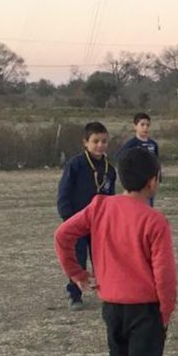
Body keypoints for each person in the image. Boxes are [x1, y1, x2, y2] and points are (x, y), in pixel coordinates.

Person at [54, 148, 176, 356]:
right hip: (144, 308)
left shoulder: (99, 206)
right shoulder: (154, 220)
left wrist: (77, 273)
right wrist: (166, 311)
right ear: (153, 182)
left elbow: (63, 235)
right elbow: (164, 274)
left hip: (111, 306)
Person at [57, 122, 117, 310]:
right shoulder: (75, 164)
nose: (100, 145)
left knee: (102, 258)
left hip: (99, 223)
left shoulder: (109, 169)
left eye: (104, 141)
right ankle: (75, 294)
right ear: (85, 142)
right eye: (95, 141)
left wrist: (111, 218)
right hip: (78, 220)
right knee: (78, 257)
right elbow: (64, 191)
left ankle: (106, 291)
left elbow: (110, 197)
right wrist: (68, 217)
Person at [117, 112, 161, 206]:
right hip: (137, 181)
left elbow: (157, 162)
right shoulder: (131, 144)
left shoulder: (153, 144)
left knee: (149, 205)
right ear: (135, 126)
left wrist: (158, 178)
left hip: (150, 181)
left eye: (147, 125)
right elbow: (121, 158)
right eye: (142, 125)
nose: (145, 127)